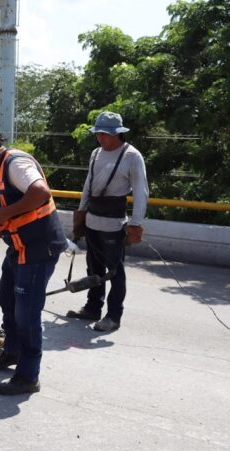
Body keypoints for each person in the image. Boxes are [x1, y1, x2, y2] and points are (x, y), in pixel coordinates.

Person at [0, 129, 67, 395]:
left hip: (38, 248)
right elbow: (0, 222)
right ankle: (13, 351)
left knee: (26, 312)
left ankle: (28, 376)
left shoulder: (16, 164)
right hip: (18, 247)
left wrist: (5, 211)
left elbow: (40, 192)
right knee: (6, 296)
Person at [68, 112, 148, 332]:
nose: (100, 138)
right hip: (92, 221)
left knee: (115, 272)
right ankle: (93, 308)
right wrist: (81, 214)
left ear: (117, 134)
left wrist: (136, 223)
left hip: (114, 225)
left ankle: (113, 316)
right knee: (94, 268)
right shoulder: (96, 153)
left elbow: (141, 192)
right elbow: (88, 185)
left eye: (104, 134)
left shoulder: (131, 156)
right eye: (98, 134)